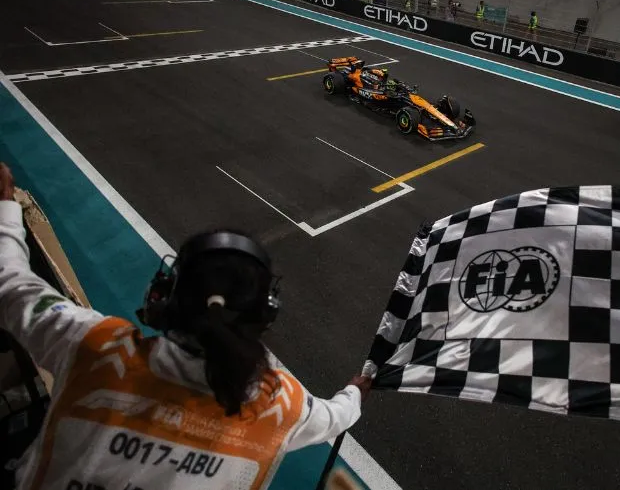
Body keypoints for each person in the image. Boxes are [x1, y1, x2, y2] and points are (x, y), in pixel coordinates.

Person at [0, 163, 371, 490]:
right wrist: (356, 390)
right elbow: (336, 416)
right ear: (265, 313)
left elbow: (11, 284)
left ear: (166, 296)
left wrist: (5, 205)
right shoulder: (281, 403)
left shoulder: (95, 347)